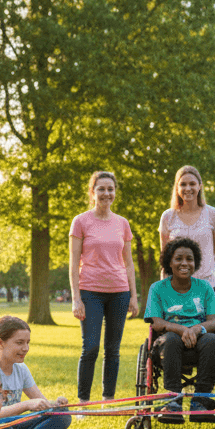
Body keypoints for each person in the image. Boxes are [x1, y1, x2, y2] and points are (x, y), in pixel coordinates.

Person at [70, 171, 139, 404]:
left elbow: (128, 263)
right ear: (92, 192)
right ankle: (83, 402)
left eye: (110, 189)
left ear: (115, 193)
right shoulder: (80, 221)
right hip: (90, 291)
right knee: (90, 347)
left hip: (119, 292)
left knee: (113, 350)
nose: (106, 193)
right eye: (101, 189)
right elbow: (73, 262)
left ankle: (107, 400)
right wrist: (75, 298)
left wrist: (134, 296)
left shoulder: (122, 223)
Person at [143, 237, 215, 423]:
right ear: (169, 262)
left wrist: (195, 329)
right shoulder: (157, 288)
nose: (184, 263)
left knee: (213, 341)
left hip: (201, 339)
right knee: (171, 339)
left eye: (189, 259)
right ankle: (173, 401)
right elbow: (156, 322)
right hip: (168, 340)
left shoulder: (204, 287)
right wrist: (181, 329)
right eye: (178, 258)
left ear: (195, 262)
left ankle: (201, 401)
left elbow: (213, 321)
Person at [0, 315, 74, 429]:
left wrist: (56, 404)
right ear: (0, 343)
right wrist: (26, 405)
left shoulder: (21, 369)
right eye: (20, 342)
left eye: (28, 343)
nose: (26, 348)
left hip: (15, 426)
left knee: (62, 416)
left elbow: (42, 404)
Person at [158, 165, 215, 309]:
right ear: (177, 188)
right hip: (176, 289)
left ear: (200, 186)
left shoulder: (214, 215)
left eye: (192, 184)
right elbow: (165, 260)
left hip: (207, 287)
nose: (188, 188)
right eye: (183, 184)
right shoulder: (168, 217)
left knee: (205, 330)